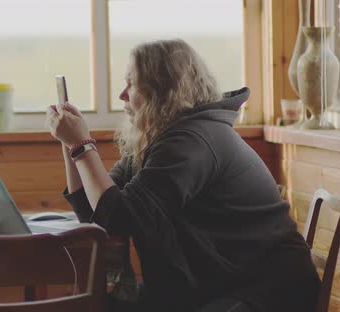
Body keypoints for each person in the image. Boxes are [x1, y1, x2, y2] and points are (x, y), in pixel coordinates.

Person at [45, 39, 319, 312]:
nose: (122, 95)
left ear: (163, 91)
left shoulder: (192, 140)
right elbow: (95, 213)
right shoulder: (160, 139)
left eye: (132, 84)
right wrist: (71, 144)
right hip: (213, 287)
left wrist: (82, 146)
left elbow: (119, 216)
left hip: (266, 290)